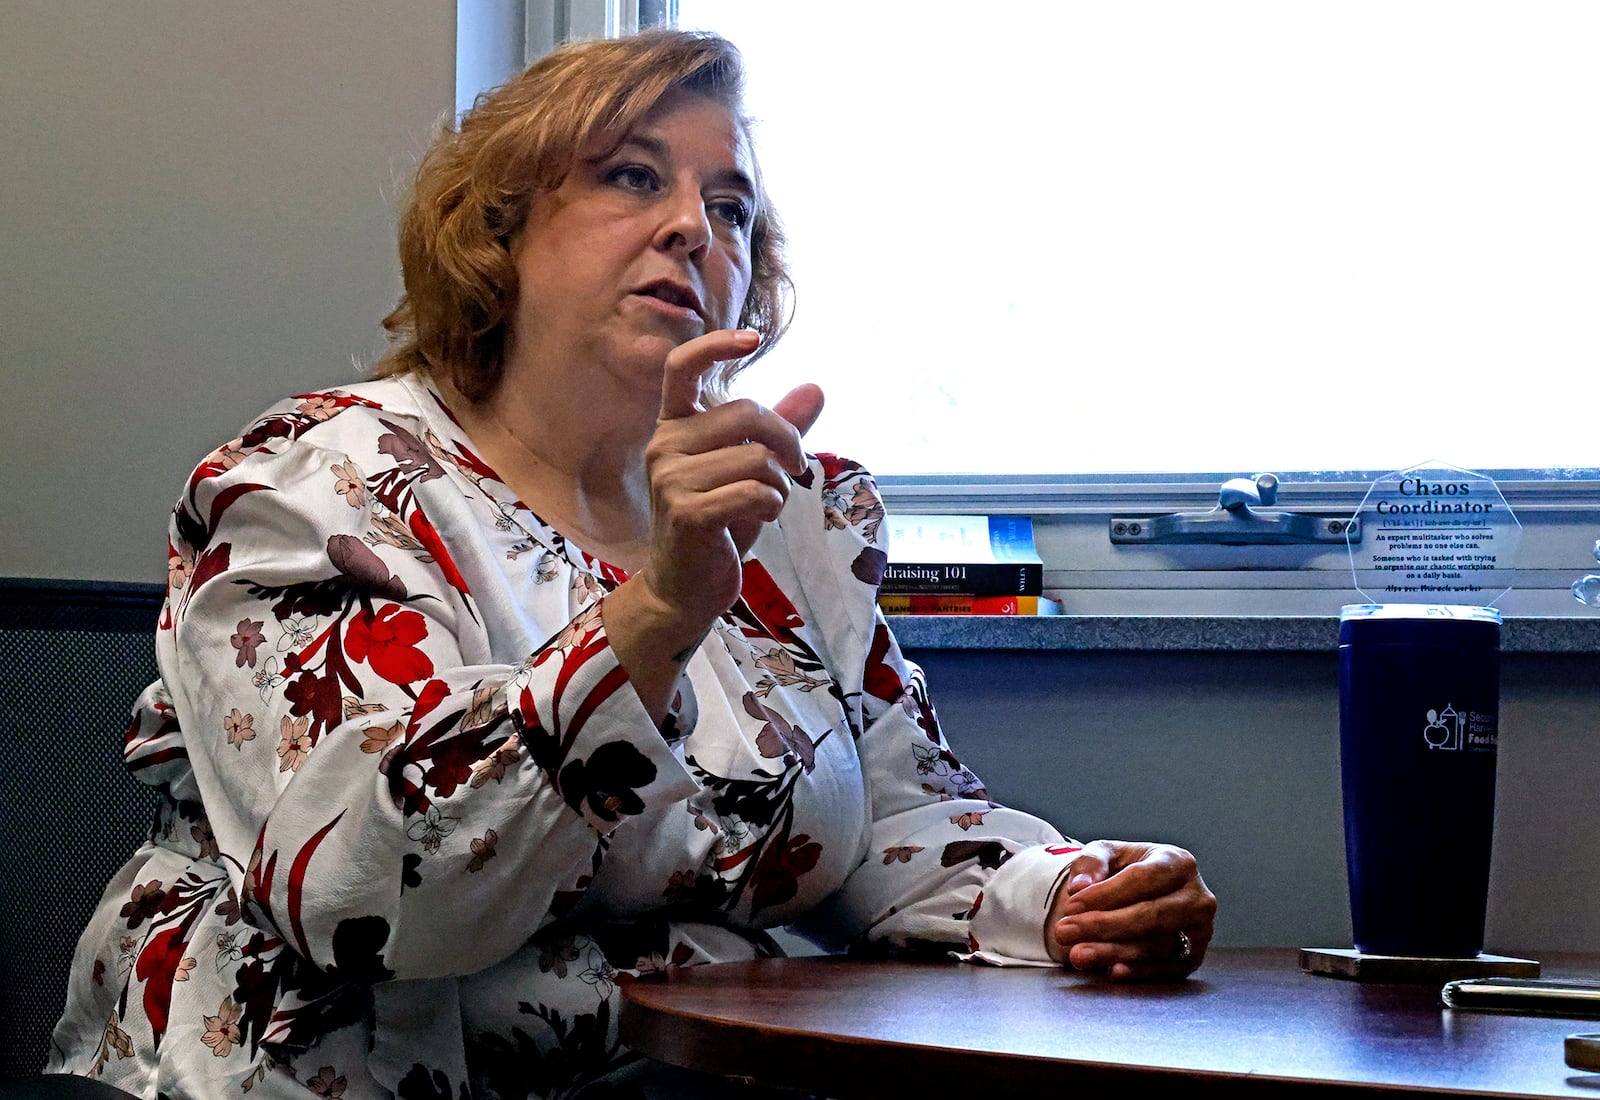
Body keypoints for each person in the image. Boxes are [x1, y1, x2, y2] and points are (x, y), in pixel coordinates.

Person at [46, 29, 1216, 1100]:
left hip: (678, 1070)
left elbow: (894, 820)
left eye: (730, 207)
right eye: (632, 175)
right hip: (348, 1063)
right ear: (495, 227)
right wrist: (654, 611)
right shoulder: (319, 482)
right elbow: (376, 894)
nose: (693, 228)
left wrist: (1065, 893)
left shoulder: (788, 511)